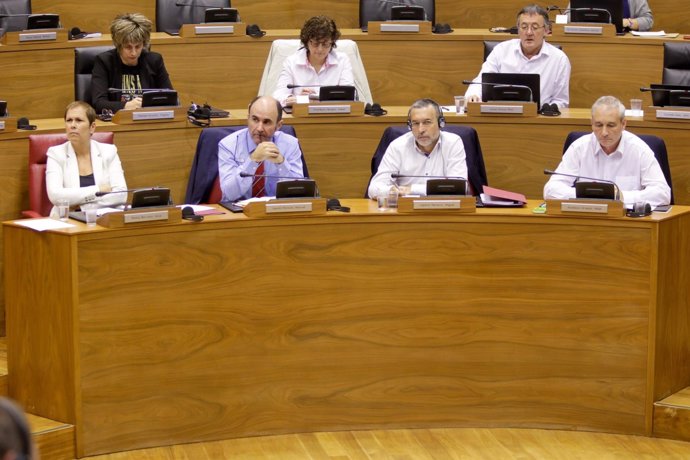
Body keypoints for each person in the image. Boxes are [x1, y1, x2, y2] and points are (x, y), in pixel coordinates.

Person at [544, 95, 671, 207]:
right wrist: (587, 195)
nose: (604, 133)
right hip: (586, 218)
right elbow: (550, 190)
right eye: (598, 125)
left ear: (623, 124)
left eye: (611, 125)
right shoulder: (579, 148)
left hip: (626, 223)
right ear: (591, 123)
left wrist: (620, 196)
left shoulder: (639, 150)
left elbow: (663, 193)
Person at [464, 5, 571, 108]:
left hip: (539, 119)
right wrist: (473, 95)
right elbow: (480, 82)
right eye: (524, 27)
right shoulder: (501, 51)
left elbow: (560, 101)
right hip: (499, 114)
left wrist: (548, 109)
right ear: (518, 29)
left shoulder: (559, 59)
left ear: (546, 30)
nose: (529, 32)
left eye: (535, 27)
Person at [368, 98, 468, 199]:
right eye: (415, 123)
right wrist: (392, 191)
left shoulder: (453, 143)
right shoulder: (397, 146)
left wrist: (412, 189)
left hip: (443, 210)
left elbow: (459, 187)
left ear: (440, 123)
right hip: (406, 210)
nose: (421, 130)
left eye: (427, 122)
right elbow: (374, 188)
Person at [46, 101, 128, 217]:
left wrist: (81, 207)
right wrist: (98, 190)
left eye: (79, 120)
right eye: (69, 120)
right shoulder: (56, 154)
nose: (72, 125)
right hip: (66, 220)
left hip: (102, 220)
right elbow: (56, 196)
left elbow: (121, 194)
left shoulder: (109, 152)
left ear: (92, 127)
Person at [218, 96, 304, 202]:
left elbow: (299, 192)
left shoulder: (290, 144)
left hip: (276, 211)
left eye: (266, 122)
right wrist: (252, 161)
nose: (259, 128)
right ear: (248, 117)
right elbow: (229, 194)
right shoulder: (228, 145)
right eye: (255, 119)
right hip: (238, 212)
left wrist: (282, 163)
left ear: (278, 125)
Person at [91, 13, 173, 114]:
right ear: (119, 45)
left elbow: (170, 97)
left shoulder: (154, 60)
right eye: (128, 47)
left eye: (138, 46)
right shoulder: (104, 62)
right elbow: (98, 103)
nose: (134, 53)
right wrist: (126, 105)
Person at [273, 15, 354, 107]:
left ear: (332, 43)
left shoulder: (342, 61)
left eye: (325, 44)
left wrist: (315, 99)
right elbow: (278, 97)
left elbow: (350, 95)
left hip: (333, 115)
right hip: (302, 116)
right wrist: (300, 99)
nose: (320, 49)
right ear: (307, 42)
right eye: (315, 43)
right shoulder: (291, 62)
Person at [568, 0, 653, 31]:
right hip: (588, 39)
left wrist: (628, 23)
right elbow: (568, 16)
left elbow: (648, 20)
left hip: (623, 44)